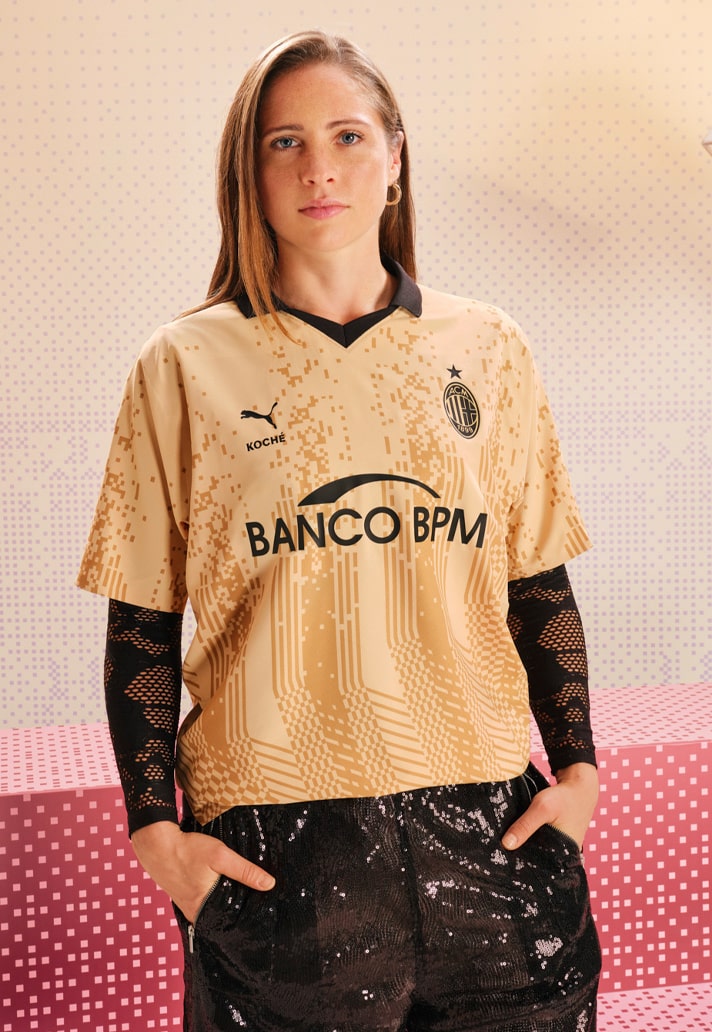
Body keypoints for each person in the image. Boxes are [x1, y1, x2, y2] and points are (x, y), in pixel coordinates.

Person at [77, 29, 601, 1032]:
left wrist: (576, 773)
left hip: (492, 835)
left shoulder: (487, 347)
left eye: (348, 136)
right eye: (285, 142)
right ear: (249, 171)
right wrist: (154, 832)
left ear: (395, 157)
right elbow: (141, 618)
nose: (319, 167)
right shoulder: (181, 364)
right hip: (280, 857)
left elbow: (535, 581)